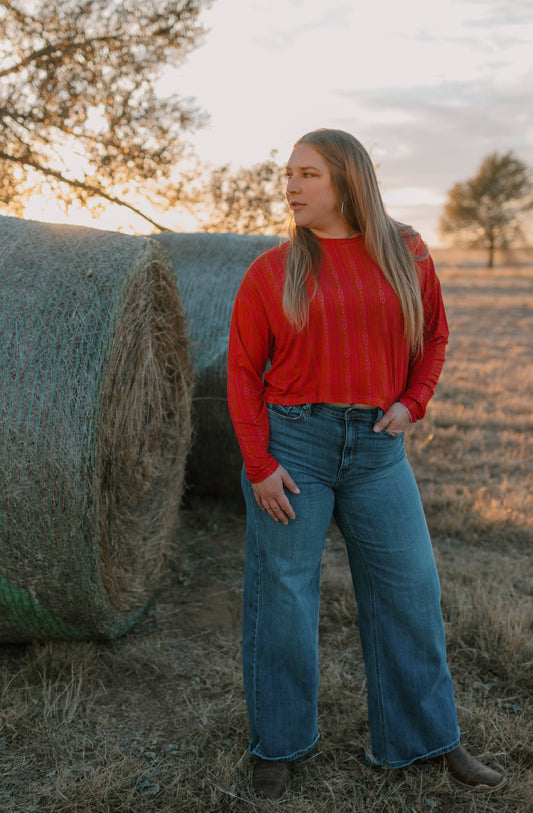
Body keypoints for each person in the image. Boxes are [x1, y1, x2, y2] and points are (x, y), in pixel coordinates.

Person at [226, 128, 506, 800]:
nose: (290, 186)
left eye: (307, 174)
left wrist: (414, 400)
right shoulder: (271, 270)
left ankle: (424, 740)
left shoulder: (406, 251)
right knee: (285, 596)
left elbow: (433, 331)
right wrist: (259, 463)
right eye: (287, 174)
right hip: (294, 448)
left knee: (409, 590)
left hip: (379, 450)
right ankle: (279, 744)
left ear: (347, 179)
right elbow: (239, 371)